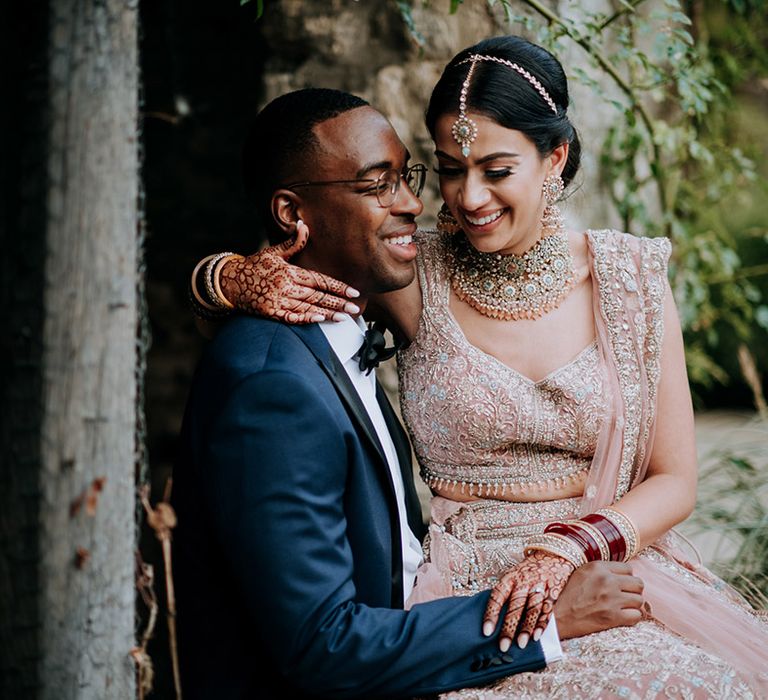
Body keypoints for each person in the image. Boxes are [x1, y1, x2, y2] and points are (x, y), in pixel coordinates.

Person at [193, 36, 768, 697]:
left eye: (495, 170)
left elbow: (675, 480)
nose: (469, 198)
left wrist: (566, 549)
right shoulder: (412, 275)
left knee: (693, 684)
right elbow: (305, 285)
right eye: (450, 170)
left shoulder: (630, 279)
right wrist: (228, 276)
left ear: (555, 158)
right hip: (466, 586)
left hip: (597, 561)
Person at [173, 86, 643, 700]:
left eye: (408, 176)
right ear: (292, 214)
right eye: (378, 184)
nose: (415, 203)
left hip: (436, 620)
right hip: (398, 655)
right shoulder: (275, 390)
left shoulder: (352, 312)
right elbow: (324, 646)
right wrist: (547, 624)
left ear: (555, 160)